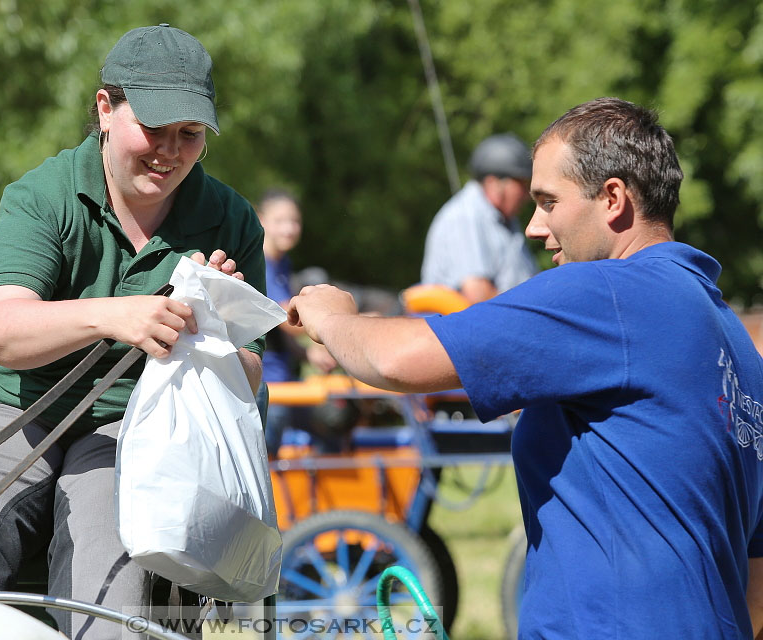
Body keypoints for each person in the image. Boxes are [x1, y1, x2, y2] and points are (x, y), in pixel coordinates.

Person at [288, 98, 763, 638]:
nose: (535, 227)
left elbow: (394, 359)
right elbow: (758, 586)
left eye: (549, 201)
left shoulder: (606, 291)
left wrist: (332, 316)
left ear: (612, 199)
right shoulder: (736, 345)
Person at [0, 25, 267, 640]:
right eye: (154, 128)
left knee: (113, 583)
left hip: (140, 425)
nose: (170, 153)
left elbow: (251, 374)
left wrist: (212, 327)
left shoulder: (231, 219)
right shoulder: (43, 196)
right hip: (9, 404)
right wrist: (115, 314)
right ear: (105, 108)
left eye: (190, 135)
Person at [257, 190, 336, 454]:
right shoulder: (259, 262)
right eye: (280, 221)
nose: (289, 228)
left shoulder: (282, 264)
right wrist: (338, 327)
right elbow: (283, 318)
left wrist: (308, 353)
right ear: (261, 220)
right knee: (265, 461)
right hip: (266, 386)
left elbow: (279, 336)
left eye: (295, 221)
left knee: (331, 430)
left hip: (286, 380)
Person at [420, 133, 538, 303]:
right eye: (522, 185)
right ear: (494, 183)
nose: (527, 196)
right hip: (470, 326)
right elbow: (478, 294)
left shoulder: (505, 219)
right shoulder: (464, 217)